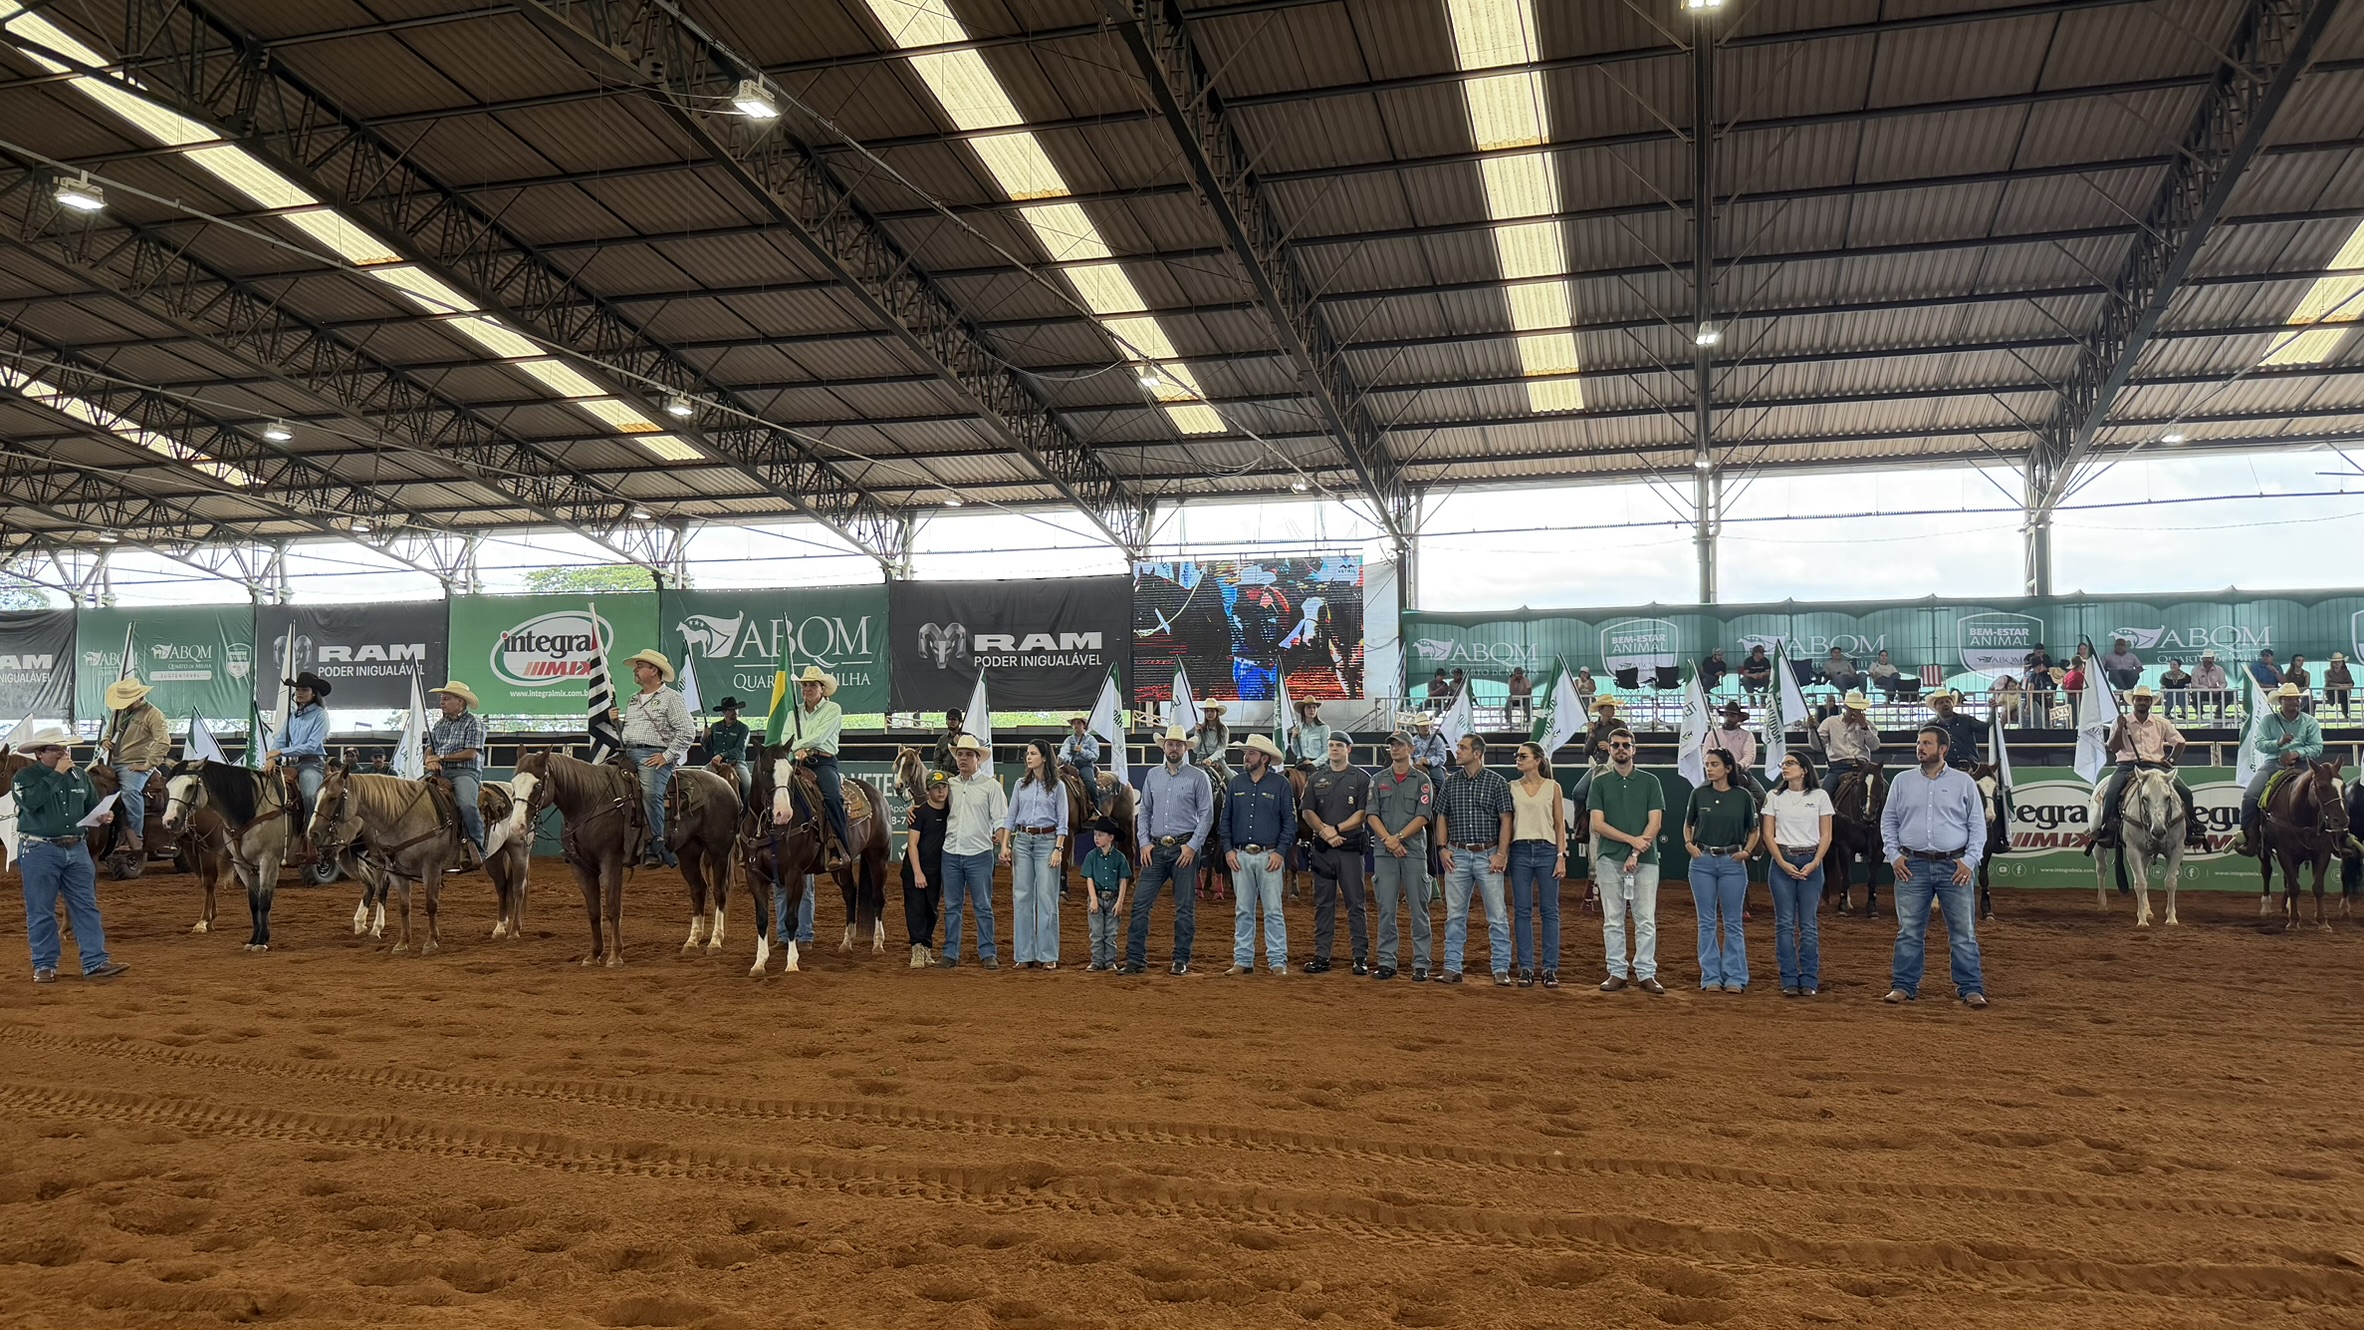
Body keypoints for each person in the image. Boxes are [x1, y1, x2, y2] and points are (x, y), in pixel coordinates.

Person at [1881, 724, 1988, 1007]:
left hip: (1955, 866)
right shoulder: (1901, 781)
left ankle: (1971, 988)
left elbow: (1977, 825)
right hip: (1911, 864)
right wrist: (1893, 855)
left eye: (1926, 743)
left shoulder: (1964, 782)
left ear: (1943, 749)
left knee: (1963, 932)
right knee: (1909, 931)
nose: (1920, 747)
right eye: (1919, 743)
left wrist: (1969, 860)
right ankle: (1903, 985)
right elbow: (1888, 820)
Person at [12, 725, 128, 984]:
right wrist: (56, 775)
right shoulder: (25, 777)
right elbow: (30, 803)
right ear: (40, 753)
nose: (64, 753)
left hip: (76, 847)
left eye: (65, 748)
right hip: (39, 848)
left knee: (86, 906)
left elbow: (91, 807)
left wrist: (104, 815)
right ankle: (44, 964)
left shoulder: (79, 776)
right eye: (56, 749)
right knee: (41, 909)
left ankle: (95, 961)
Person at [1128, 724, 1213, 975]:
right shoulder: (1153, 775)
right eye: (1170, 744)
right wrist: (1144, 842)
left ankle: (1180, 959)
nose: (1173, 748)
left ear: (1186, 748)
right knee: (1140, 904)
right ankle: (1135, 959)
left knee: (1184, 908)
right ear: (1164, 747)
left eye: (1178, 744)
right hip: (1155, 847)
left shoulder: (1199, 777)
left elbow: (1207, 815)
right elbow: (1145, 811)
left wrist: (1192, 846)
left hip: (1184, 848)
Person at [1591, 729, 1664, 994]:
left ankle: (1646, 972)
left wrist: (1636, 851)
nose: (1620, 749)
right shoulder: (1599, 782)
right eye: (1615, 745)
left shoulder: (1650, 781)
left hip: (1645, 860)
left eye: (1625, 745)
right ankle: (1617, 971)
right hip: (1609, 858)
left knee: (1645, 919)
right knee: (1613, 919)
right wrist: (1632, 841)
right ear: (1609, 749)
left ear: (1634, 749)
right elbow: (1598, 824)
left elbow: (1655, 822)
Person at [1436, 733, 1513, 986]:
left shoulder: (1496, 782)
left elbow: (1506, 819)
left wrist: (1501, 853)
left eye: (1462, 747)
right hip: (1457, 854)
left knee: (1497, 916)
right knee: (1455, 916)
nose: (1457, 751)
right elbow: (1442, 816)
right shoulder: (1450, 782)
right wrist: (1442, 848)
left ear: (1477, 753)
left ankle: (1500, 967)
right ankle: (1452, 967)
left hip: (1488, 854)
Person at [2091, 686, 2205, 851]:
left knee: (2185, 792)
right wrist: (2119, 728)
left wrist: (2171, 760)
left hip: (2155, 766)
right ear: (2133, 701)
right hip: (2127, 766)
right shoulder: (2121, 721)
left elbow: (2180, 742)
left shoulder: (2161, 722)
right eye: (2139, 699)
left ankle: (2191, 825)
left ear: (2151, 702)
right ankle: (2109, 827)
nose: (2142, 702)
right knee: (2111, 792)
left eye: (2146, 699)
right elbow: (2113, 748)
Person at [1683, 748, 1758, 993]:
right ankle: (1711, 977)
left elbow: (1754, 829)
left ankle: (1735, 977)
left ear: (1728, 768)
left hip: (1732, 863)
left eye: (1714, 764)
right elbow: (1688, 824)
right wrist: (1689, 844)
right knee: (1706, 922)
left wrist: (1747, 851)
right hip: (1702, 862)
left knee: (1733, 922)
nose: (1709, 768)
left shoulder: (1743, 796)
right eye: (1707, 764)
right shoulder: (1698, 794)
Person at [1222, 733, 1294, 976]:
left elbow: (1290, 822)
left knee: (1273, 910)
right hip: (1241, 855)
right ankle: (1243, 959)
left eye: (1251, 753)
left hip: (1270, 855)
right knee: (1243, 910)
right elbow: (1225, 820)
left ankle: (1277, 961)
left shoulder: (1281, 785)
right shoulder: (1236, 784)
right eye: (1246, 753)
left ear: (1264, 758)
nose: (1246, 757)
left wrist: (1280, 852)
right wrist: (1228, 850)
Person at [1300, 730, 1371, 975]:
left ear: (1348, 749)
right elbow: (1307, 811)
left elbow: (1363, 814)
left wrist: (1336, 829)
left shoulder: (1361, 778)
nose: (1334, 749)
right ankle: (1322, 956)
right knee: (1323, 904)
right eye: (1331, 745)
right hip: (1324, 851)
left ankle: (1360, 957)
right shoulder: (1316, 778)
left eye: (1339, 745)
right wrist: (1324, 831)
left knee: (1355, 904)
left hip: (1350, 850)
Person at [1761, 751, 1830, 997]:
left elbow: (1826, 834)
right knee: (1784, 924)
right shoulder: (1774, 796)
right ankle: (1789, 978)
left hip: (1811, 861)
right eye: (1784, 763)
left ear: (1804, 769)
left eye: (1790, 763)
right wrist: (1781, 862)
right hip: (1783, 861)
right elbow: (1768, 834)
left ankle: (1809, 978)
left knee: (1808, 924)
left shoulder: (1820, 796)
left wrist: (1815, 862)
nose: (1785, 767)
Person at [616, 649, 693, 869]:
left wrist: (667, 756)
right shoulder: (632, 700)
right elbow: (630, 731)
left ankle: (656, 842)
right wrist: (616, 723)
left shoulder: (671, 698)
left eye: (640, 666)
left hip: (653, 755)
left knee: (650, 793)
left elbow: (687, 731)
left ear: (654, 671)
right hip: (627, 753)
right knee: (599, 782)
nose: (635, 670)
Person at [1368, 731, 1435, 981]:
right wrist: (1389, 839)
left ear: (1411, 749)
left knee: (1419, 908)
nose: (1395, 749)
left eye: (1400, 745)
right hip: (1385, 851)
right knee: (1386, 908)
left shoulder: (1422, 780)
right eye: (1392, 745)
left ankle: (1421, 963)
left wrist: (1397, 838)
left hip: (1413, 851)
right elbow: (1371, 814)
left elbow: (1423, 816)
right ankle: (1387, 961)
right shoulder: (1377, 780)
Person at [937, 734, 1006, 969]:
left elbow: (1000, 819)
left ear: (978, 759)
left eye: (968, 754)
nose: (963, 758)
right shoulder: (949, 785)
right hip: (951, 852)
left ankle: (987, 952)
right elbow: (933, 805)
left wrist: (1003, 843)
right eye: (960, 754)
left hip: (979, 854)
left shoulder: (991, 786)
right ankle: (951, 952)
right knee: (952, 906)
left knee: (983, 906)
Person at [1000, 738, 1069, 970]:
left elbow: (1063, 821)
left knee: (1047, 898)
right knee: (1021, 898)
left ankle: (1048, 954)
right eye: (1027, 754)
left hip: (1047, 841)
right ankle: (1024, 954)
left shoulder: (1058, 786)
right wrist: (1005, 844)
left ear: (1044, 757)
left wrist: (1058, 848)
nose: (1028, 757)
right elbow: (1011, 816)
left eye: (1033, 753)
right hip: (1023, 840)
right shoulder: (1020, 784)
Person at [2234, 682, 2323, 856]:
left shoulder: (2309, 722)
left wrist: (2296, 753)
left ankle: (2333, 834)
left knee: (2327, 792)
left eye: (2296, 699)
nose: (2293, 702)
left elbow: (2317, 747)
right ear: (2280, 701)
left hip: (2303, 763)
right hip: (2273, 763)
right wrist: (2278, 743)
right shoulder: (2268, 721)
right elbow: (2259, 744)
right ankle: (2248, 835)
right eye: (2289, 699)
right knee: (2250, 795)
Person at [1506, 740, 1564, 988]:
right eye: (1517, 755)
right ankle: (1526, 968)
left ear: (1537, 760)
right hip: (1519, 850)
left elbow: (1559, 824)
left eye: (1523, 756)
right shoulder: (1511, 787)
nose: (1518, 759)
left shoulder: (1553, 787)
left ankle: (1550, 968)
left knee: (1549, 911)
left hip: (1547, 850)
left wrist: (1561, 855)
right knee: (1522, 910)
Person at [264, 670, 331, 866]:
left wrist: (280, 752)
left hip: (312, 763)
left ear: (313, 693)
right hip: (292, 763)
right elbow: (280, 739)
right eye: (298, 690)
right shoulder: (292, 716)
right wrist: (272, 757)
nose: (300, 693)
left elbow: (311, 745)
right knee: (265, 786)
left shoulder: (321, 715)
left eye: (304, 690)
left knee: (310, 795)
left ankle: (312, 838)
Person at [97, 677, 168, 859]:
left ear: (139, 697)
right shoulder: (119, 711)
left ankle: (136, 837)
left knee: (130, 792)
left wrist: (149, 764)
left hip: (135, 764)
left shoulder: (153, 714)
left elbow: (163, 741)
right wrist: (105, 741)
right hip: (114, 762)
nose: (124, 705)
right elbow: (109, 732)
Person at [786, 665, 849, 867]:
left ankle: (839, 847)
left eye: (812, 685)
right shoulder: (794, 713)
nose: (807, 689)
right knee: (774, 790)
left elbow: (820, 736)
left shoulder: (833, 709)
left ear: (822, 689)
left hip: (822, 762)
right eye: (804, 685)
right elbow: (785, 737)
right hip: (797, 761)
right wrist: (796, 750)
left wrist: (800, 746)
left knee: (832, 797)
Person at [423, 681, 488, 870]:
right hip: (439, 772)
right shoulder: (440, 724)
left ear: (460, 701)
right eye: (441, 699)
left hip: (465, 772)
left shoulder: (474, 723)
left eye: (446, 699)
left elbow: (471, 753)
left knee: (467, 804)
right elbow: (429, 748)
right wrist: (429, 760)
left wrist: (440, 757)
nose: (441, 702)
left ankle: (477, 847)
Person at [901, 770, 948, 968]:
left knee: (931, 909)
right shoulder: (919, 813)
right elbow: (912, 844)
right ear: (928, 790)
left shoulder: (951, 812)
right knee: (916, 908)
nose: (941, 791)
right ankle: (917, 948)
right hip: (916, 869)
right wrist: (918, 872)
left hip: (937, 871)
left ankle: (926, 946)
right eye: (936, 788)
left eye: (944, 787)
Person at [1079, 816, 1132, 972]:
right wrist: (1093, 899)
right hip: (1097, 897)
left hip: (1113, 898)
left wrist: (1120, 901)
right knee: (1096, 932)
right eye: (1095, 835)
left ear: (1111, 838)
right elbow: (1089, 879)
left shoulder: (1120, 858)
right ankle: (1097, 960)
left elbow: (1123, 880)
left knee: (1111, 933)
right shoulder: (1091, 856)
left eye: (1100, 835)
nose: (1096, 838)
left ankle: (1109, 961)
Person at [1816, 692, 1882, 799]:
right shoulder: (1830, 722)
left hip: (1862, 767)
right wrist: (1812, 731)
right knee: (1824, 795)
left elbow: (1874, 746)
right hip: (1837, 768)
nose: (1855, 712)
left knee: (1880, 789)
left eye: (1858, 709)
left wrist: (1864, 727)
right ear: (1845, 707)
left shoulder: (1869, 725)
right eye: (1852, 708)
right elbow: (1817, 745)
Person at [705, 697, 753, 801]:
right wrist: (704, 737)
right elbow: (707, 748)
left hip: (736, 763)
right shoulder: (715, 726)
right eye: (731, 710)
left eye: (736, 709)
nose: (735, 712)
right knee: (699, 781)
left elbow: (740, 749)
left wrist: (722, 755)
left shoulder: (743, 728)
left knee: (748, 785)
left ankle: (746, 809)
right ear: (724, 712)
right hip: (716, 763)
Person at [1704, 700, 1758, 786]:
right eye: (1726, 715)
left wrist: (1738, 766)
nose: (1728, 718)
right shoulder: (1713, 734)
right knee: (1700, 791)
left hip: (1740, 772)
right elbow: (1706, 754)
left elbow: (1749, 756)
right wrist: (1717, 765)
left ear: (1739, 718)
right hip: (1717, 772)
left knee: (1760, 793)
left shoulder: (1747, 735)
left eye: (1732, 715)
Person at [1927, 690, 1981, 771]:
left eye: (1947, 701)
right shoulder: (1930, 726)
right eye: (1941, 702)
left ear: (1952, 704)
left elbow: (1986, 728)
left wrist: (1993, 712)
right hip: (1944, 768)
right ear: (1936, 707)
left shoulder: (1966, 720)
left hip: (1969, 766)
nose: (1945, 704)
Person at [1059, 714, 1101, 794]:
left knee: (1090, 783)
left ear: (1084, 725)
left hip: (1085, 765)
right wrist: (1061, 758)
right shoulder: (1069, 740)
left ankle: (1095, 801)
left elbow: (1095, 756)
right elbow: (1065, 750)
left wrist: (1082, 751)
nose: (1076, 725)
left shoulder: (1091, 739)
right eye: (1074, 723)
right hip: (1071, 765)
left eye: (1078, 723)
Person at [2189, 651, 2230, 721]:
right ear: (2202, 659)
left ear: (2213, 659)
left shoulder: (2219, 669)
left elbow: (2223, 683)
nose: (2207, 660)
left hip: (2215, 692)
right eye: (2205, 658)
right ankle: (2199, 713)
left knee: (2229, 694)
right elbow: (2194, 685)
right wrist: (2207, 688)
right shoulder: (2195, 669)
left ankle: (2219, 712)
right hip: (2202, 692)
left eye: (2209, 658)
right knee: (2195, 694)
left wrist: (2218, 689)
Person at [1290, 697, 1330, 767]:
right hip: (1301, 763)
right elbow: (1296, 752)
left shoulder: (1323, 728)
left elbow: (1327, 751)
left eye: (1314, 707)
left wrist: (1313, 763)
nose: (1312, 710)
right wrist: (1293, 737)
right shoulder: (1299, 727)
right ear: (1303, 710)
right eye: (1309, 707)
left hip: (1317, 764)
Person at [1188, 702, 1229, 769]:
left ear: (1217, 713)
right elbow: (1196, 750)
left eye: (1212, 711)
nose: (1209, 713)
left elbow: (1221, 749)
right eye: (1207, 711)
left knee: (1229, 775)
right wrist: (1198, 734)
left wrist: (1210, 759)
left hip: (1217, 760)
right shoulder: (1200, 728)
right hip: (1201, 759)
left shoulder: (1223, 729)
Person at [928, 708, 968, 773]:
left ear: (960, 721)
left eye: (954, 719)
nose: (951, 721)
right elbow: (937, 760)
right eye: (949, 719)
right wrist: (936, 773)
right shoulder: (942, 740)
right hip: (944, 773)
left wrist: (959, 743)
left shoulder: (965, 738)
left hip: (960, 773)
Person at [2328, 653, 2354, 720]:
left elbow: (2351, 682)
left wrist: (2347, 686)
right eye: (2335, 662)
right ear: (2332, 663)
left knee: (2345, 696)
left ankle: (2345, 714)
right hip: (2332, 692)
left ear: (2342, 663)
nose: (2337, 664)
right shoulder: (2328, 672)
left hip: (2345, 691)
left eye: (2339, 662)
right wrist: (2340, 686)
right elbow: (2330, 683)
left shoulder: (2346, 672)